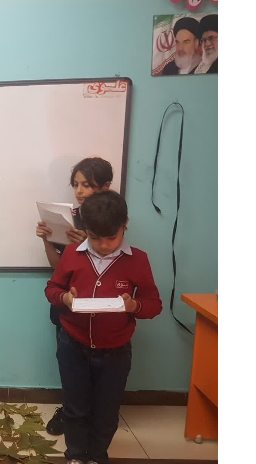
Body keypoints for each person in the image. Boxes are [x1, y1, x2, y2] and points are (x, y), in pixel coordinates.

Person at [44, 191, 162, 464]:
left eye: (111, 237)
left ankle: (97, 456)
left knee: (106, 413)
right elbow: (52, 289)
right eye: (95, 238)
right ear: (85, 230)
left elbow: (154, 305)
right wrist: (65, 298)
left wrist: (134, 306)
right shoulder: (72, 253)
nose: (104, 245)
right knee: (75, 408)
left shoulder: (137, 260)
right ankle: (75, 455)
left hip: (115, 353)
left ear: (125, 226)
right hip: (73, 346)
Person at [36, 157, 113, 437]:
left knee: (102, 368)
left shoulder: (112, 219)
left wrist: (86, 245)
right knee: (69, 365)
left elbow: (111, 264)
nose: (80, 191)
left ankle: (94, 416)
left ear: (105, 186)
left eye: (87, 185)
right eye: (76, 185)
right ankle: (71, 411)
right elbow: (58, 269)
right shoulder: (71, 218)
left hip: (101, 306)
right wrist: (47, 240)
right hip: (68, 303)